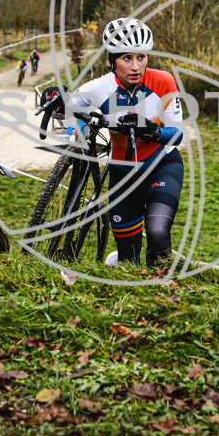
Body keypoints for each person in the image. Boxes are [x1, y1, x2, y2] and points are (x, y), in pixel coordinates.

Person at [63, 18, 184, 267]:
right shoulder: (101, 87)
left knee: (158, 234)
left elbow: (178, 134)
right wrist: (76, 125)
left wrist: (151, 131)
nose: (136, 66)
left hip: (161, 164)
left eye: (141, 57)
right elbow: (69, 108)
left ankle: (163, 292)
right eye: (126, 58)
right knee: (128, 260)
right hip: (123, 172)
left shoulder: (163, 81)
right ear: (111, 61)